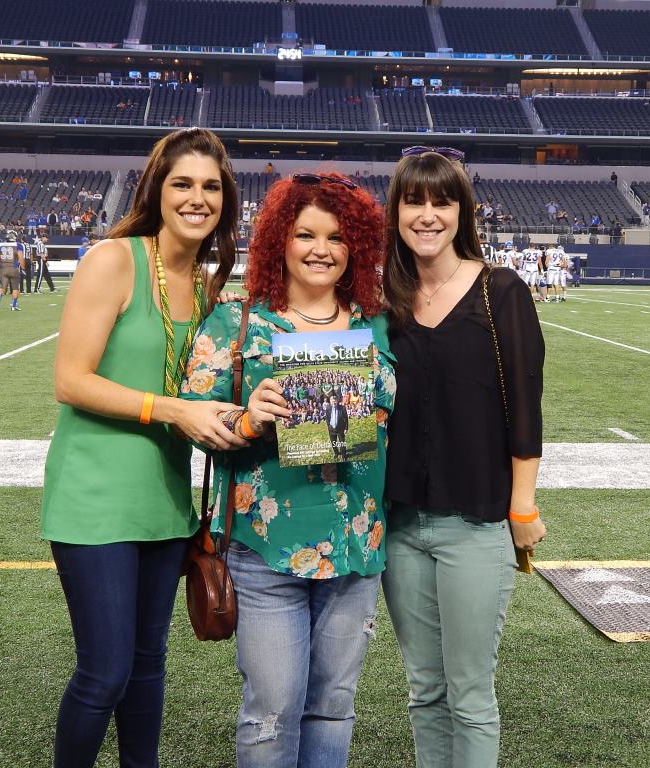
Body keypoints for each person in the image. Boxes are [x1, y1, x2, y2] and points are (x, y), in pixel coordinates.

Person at [40, 128, 248, 768]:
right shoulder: (115, 258)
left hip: (164, 500)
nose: (197, 197)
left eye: (211, 187)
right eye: (182, 183)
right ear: (157, 190)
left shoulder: (213, 288)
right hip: (95, 496)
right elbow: (70, 380)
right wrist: (175, 409)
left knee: (148, 667)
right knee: (104, 673)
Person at [182, 171, 394, 768]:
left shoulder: (372, 322)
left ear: (355, 245)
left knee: (332, 705)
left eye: (335, 236)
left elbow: (396, 410)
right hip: (264, 549)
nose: (320, 249)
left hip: (356, 545)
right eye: (305, 234)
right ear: (281, 239)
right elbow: (193, 416)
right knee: (271, 711)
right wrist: (248, 420)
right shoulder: (237, 320)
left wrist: (373, 405)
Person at [381, 148, 545, 768]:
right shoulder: (383, 300)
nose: (427, 214)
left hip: (476, 523)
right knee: (425, 691)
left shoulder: (501, 291)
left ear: (462, 211)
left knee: (471, 694)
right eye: (414, 200)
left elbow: (525, 408)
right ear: (396, 211)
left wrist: (522, 504)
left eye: (441, 201)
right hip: (398, 524)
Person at [0, 230, 25, 312]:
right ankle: (13, 306)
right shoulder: (18, 245)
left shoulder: (0, 245)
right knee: (15, 288)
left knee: (3, 287)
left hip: (3, 269)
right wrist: (23, 268)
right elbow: (21, 258)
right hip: (13, 268)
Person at [325, 392, 349, 460]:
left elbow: (346, 418)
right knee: (333, 443)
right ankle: (336, 453)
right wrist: (329, 426)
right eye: (332, 401)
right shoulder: (328, 408)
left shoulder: (342, 408)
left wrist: (346, 428)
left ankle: (344, 455)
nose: (333, 403)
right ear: (330, 401)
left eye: (335, 401)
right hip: (331, 429)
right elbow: (327, 418)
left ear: (337, 401)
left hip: (340, 429)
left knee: (342, 443)